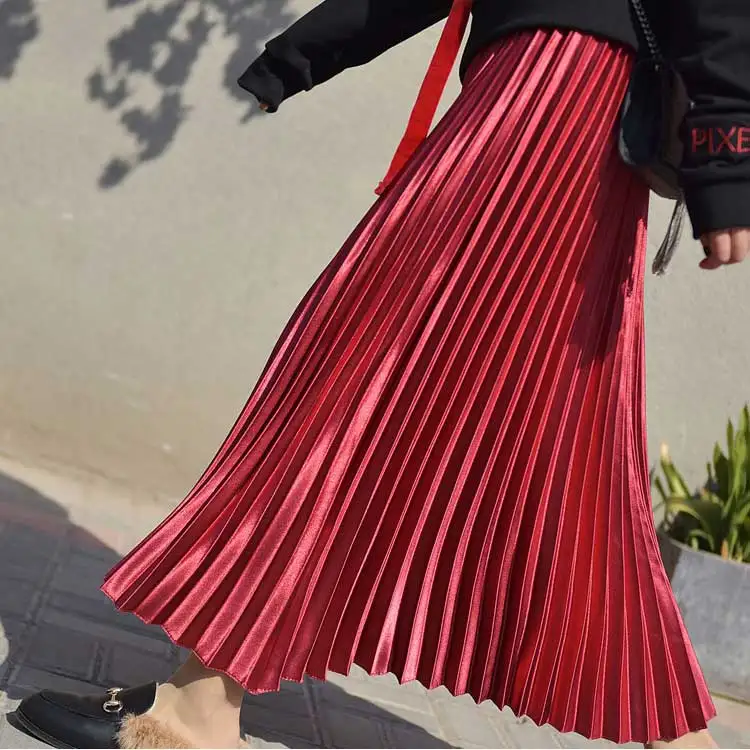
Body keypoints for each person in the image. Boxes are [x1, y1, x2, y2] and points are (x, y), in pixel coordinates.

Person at [11, 0, 750, 747]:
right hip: (540, 101)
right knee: (554, 430)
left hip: (551, 105)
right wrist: (299, 55)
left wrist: (725, 159)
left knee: (359, 374)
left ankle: (197, 710)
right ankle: (679, 739)